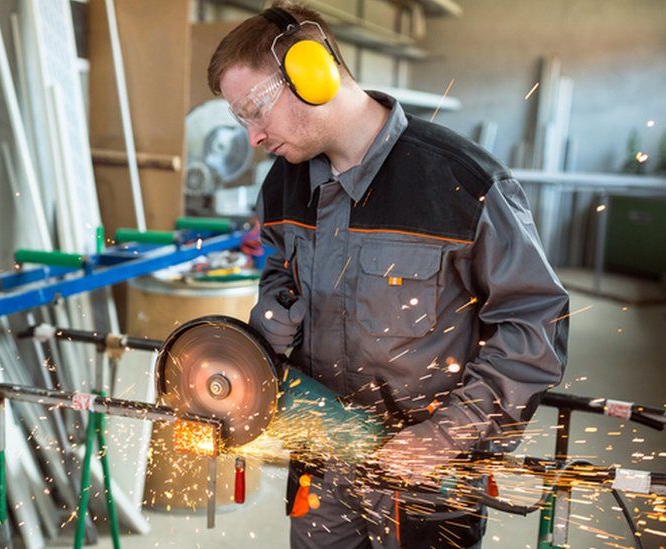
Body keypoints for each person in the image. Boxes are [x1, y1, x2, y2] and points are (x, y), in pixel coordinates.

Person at [208, 3, 570, 547]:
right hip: (322, 465)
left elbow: (534, 327)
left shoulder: (460, 183)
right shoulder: (282, 185)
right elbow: (278, 271)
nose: (254, 137)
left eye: (257, 109)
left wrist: (446, 437)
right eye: (242, 118)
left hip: (425, 481)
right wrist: (274, 314)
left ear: (314, 74)